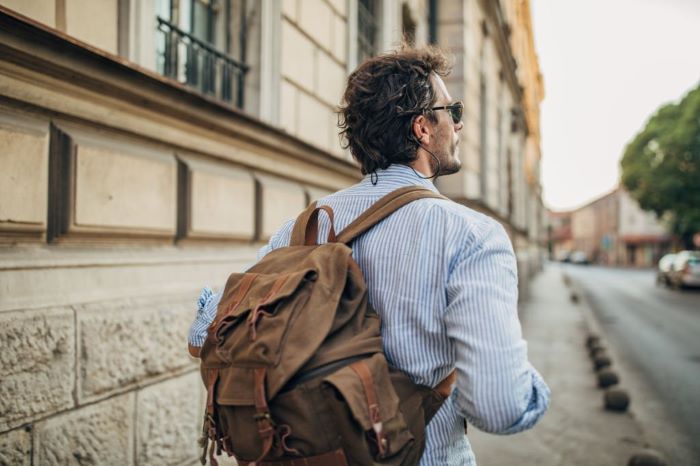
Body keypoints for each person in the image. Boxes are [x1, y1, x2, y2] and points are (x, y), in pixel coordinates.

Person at [188, 46, 549, 466]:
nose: (459, 122)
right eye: (452, 110)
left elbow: (205, 336)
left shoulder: (301, 229)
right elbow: (498, 406)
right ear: (422, 129)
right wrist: (536, 391)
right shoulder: (472, 236)